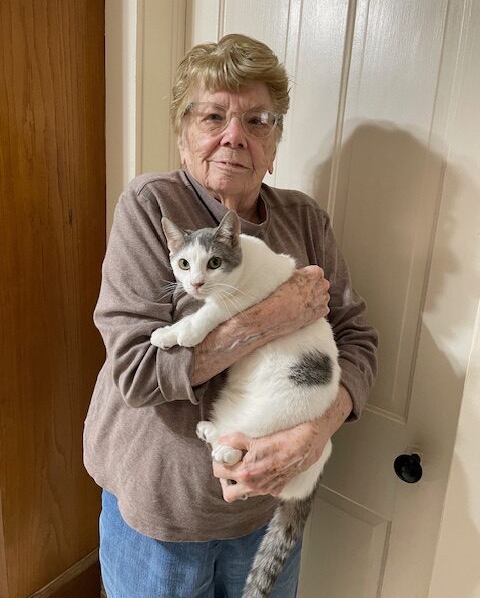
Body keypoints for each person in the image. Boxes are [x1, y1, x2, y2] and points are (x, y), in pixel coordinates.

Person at [84, 33, 378, 598]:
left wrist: (315, 431)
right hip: (161, 514)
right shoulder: (151, 206)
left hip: (267, 501)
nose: (234, 136)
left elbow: (356, 338)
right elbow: (140, 374)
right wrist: (272, 318)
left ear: (275, 141)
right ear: (183, 134)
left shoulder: (305, 219)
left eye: (257, 120)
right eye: (213, 116)